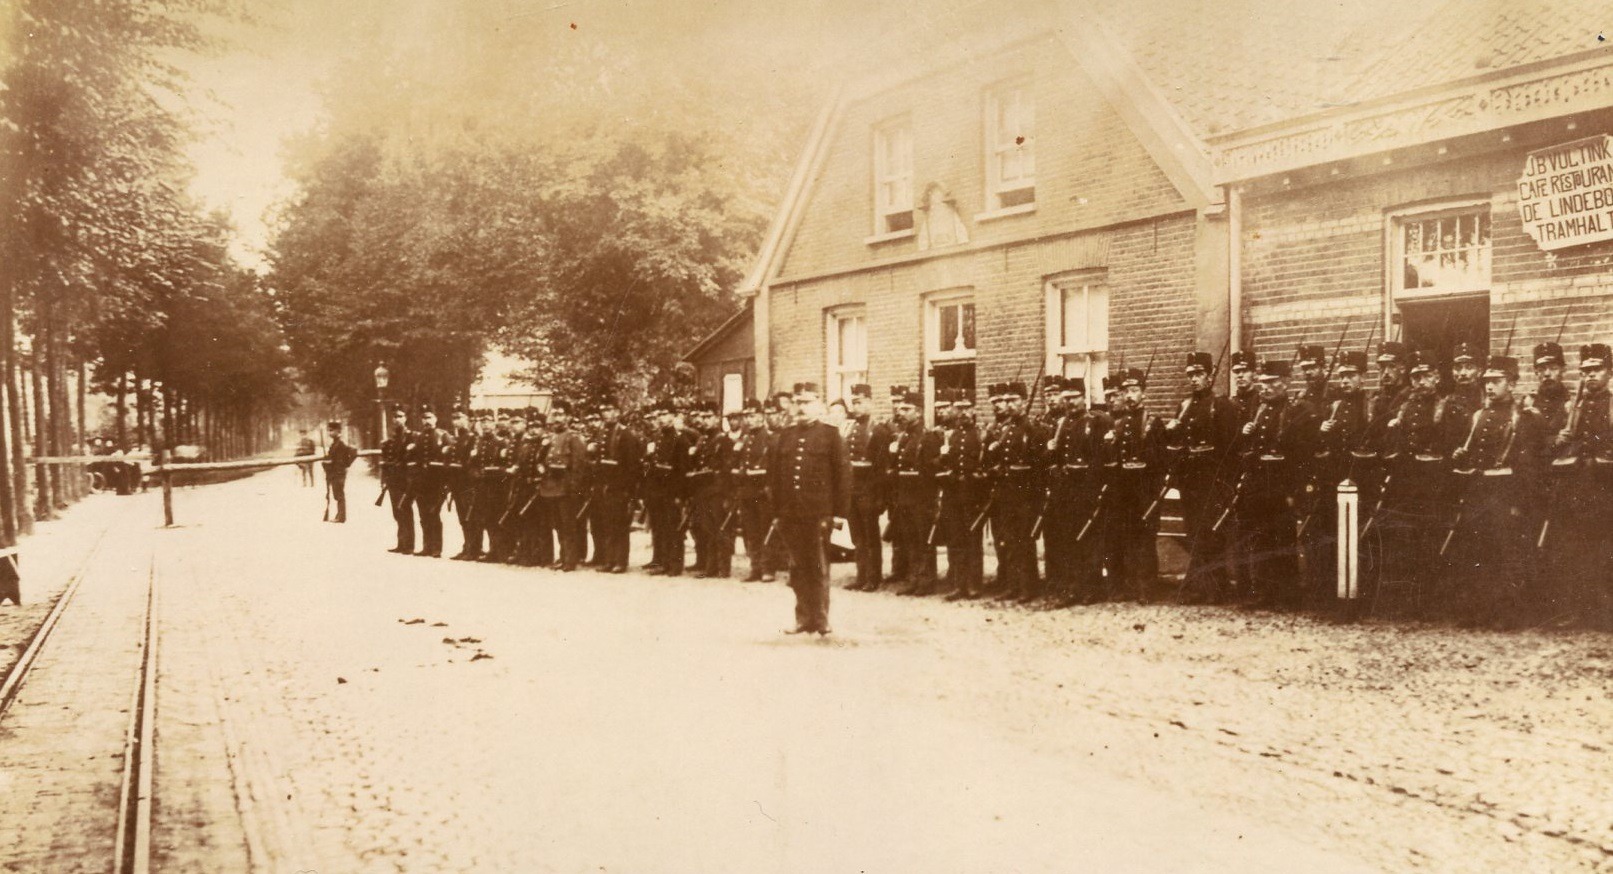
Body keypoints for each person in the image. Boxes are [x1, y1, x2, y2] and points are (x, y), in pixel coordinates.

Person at [770, 382, 852, 635]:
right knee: (797, 567)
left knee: (818, 567)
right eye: (798, 402)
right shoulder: (786, 435)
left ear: (818, 404)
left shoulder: (830, 435)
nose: (802, 407)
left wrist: (839, 513)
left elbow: (843, 476)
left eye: (807, 402)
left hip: (819, 514)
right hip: (790, 513)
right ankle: (802, 618)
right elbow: (775, 477)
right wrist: (776, 512)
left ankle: (821, 618)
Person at [1165, 352, 1240, 605]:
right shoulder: (1184, 406)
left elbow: (1229, 447)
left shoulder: (1221, 405)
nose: (1194, 380)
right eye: (1190, 375)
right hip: (1190, 482)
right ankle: (1199, 586)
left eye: (1198, 374)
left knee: (1211, 534)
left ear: (1210, 376)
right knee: (1195, 532)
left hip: (1212, 480)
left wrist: (1224, 483)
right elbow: (1178, 445)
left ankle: (1215, 588)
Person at [1104, 368, 1166, 602]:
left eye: (1134, 391)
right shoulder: (1119, 425)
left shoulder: (1152, 422)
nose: (1129, 396)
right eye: (1126, 391)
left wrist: (1154, 491)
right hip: (1125, 491)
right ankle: (1131, 585)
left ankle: (1147, 589)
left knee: (1145, 540)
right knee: (1128, 537)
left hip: (1145, 490)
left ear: (1144, 394)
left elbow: (1161, 460)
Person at [890, 386, 941, 595]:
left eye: (907, 408)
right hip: (905, 497)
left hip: (922, 497)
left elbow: (931, 470)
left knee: (923, 539)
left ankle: (927, 580)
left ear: (918, 412)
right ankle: (914, 578)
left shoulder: (927, 437)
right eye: (900, 408)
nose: (901, 412)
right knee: (909, 538)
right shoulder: (904, 437)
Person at [935, 388, 984, 600]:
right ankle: (958, 584)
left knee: (973, 540)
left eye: (967, 408)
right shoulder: (951, 435)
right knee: (956, 540)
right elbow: (944, 463)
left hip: (973, 494)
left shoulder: (981, 434)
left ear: (974, 410)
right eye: (959, 408)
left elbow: (984, 464)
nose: (963, 412)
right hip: (954, 494)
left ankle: (974, 584)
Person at [589, 398, 642, 574]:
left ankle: (620, 561)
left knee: (619, 526)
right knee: (607, 524)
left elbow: (633, 466)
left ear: (618, 413)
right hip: (605, 487)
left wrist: (629, 491)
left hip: (620, 488)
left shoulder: (626, 435)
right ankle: (609, 560)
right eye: (604, 410)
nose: (606, 413)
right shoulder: (602, 433)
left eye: (610, 409)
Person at [538, 400, 591, 571]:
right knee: (558, 525)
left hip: (566, 490)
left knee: (569, 526)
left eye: (560, 414)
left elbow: (578, 467)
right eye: (555, 414)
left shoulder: (574, 438)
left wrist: (573, 489)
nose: (557, 418)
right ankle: (562, 557)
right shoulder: (551, 438)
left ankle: (571, 559)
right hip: (551, 489)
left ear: (568, 417)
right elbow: (544, 461)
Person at [380, 405, 415, 554]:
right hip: (393, 481)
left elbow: (412, 460)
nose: (397, 419)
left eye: (400, 416)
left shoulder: (411, 437)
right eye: (395, 416)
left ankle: (409, 545)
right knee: (397, 512)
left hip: (404, 481)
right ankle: (401, 543)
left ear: (405, 418)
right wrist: (384, 479)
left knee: (405, 511)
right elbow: (387, 462)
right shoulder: (392, 439)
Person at [321, 421, 357, 522]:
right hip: (334, 473)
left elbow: (353, 452)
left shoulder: (341, 444)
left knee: (339, 494)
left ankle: (341, 517)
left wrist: (346, 464)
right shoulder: (335, 444)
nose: (329, 433)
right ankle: (339, 515)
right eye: (329, 430)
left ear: (338, 431)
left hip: (339, 473)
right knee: (337, 494)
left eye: (331, 431)